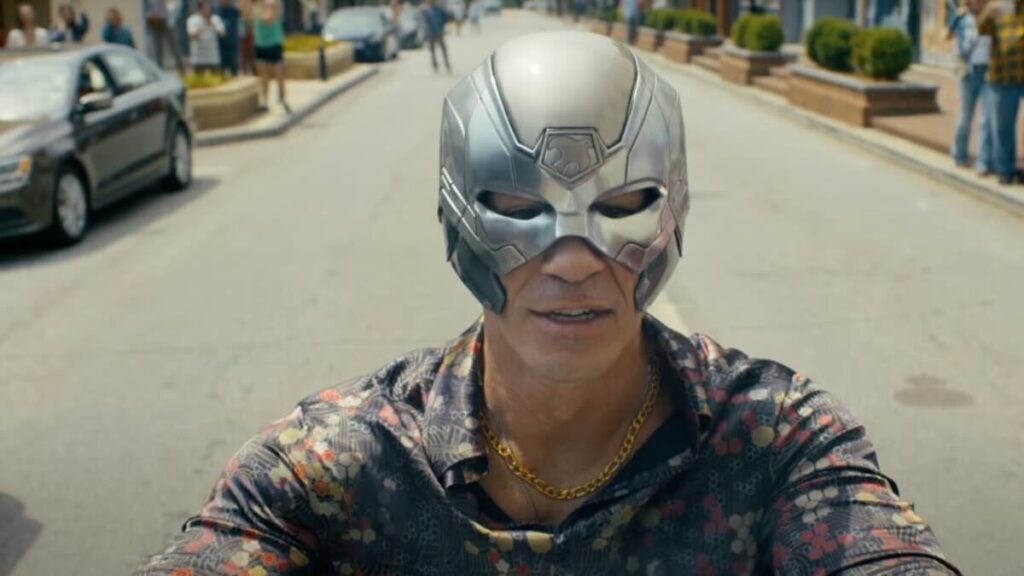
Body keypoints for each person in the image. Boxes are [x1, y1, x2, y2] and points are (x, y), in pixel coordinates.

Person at [133, 31, 961, 575]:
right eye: (520, 211)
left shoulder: (778, 442)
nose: (572, 262)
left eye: (621, 207)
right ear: (457, 213)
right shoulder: (337, 467)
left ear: (673, 207)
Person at [979, 0, 1024, 185]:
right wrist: (986, 14)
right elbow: (981, 31)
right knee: (1003, 128)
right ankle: (1005, 170)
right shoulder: (997, 8)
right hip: (1002, 76)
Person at [948, 0, 995, 175]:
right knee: (965, 116)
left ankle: (983, 162)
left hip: (988, 71)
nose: (979, 3)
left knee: (987, 119)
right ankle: (960, 154)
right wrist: (956, 18)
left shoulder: (991, 18)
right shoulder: (962, 18)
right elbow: (948, 36)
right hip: (968, 71)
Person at [254, 0, 290, 113]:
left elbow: (268, 19)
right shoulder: (257, 5)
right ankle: (264, 101)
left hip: (274, 44)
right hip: (261, 43)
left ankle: (282, 97)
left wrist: (255, 12)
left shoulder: (274, 3)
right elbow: (246, 14)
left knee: (279, 73)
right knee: (263, 75)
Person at [146, 0, 185, 73]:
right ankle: (159, 71)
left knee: (174, 48)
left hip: (168, 23)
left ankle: (182, 70)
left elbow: (175, 6)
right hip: (156, 23)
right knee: (158, 50)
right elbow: (150, 8)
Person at [188, 1, 226, 74]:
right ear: (200, 8)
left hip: (213, 58)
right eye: (206, 7)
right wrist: (203, 24)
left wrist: (213, 25)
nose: (208, 9)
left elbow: (222, 34)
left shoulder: (215, 19)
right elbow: (192, 35)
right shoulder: (193, 19)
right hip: (198, 59)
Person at [422, 0, 451, 72]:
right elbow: (424, 22)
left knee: (442, 49)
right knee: (433, 51)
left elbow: (445, 18)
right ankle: (435, 65)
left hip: (438, 32)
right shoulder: (426, 11)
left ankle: (446, 64)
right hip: (432, 33)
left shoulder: (439, 9)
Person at [216, 0, 242, 75]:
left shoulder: (234, 10)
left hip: (232, 45)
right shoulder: (215, 11)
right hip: (220, 46)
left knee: (234, 70)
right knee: (221, 72)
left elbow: (243, 10)